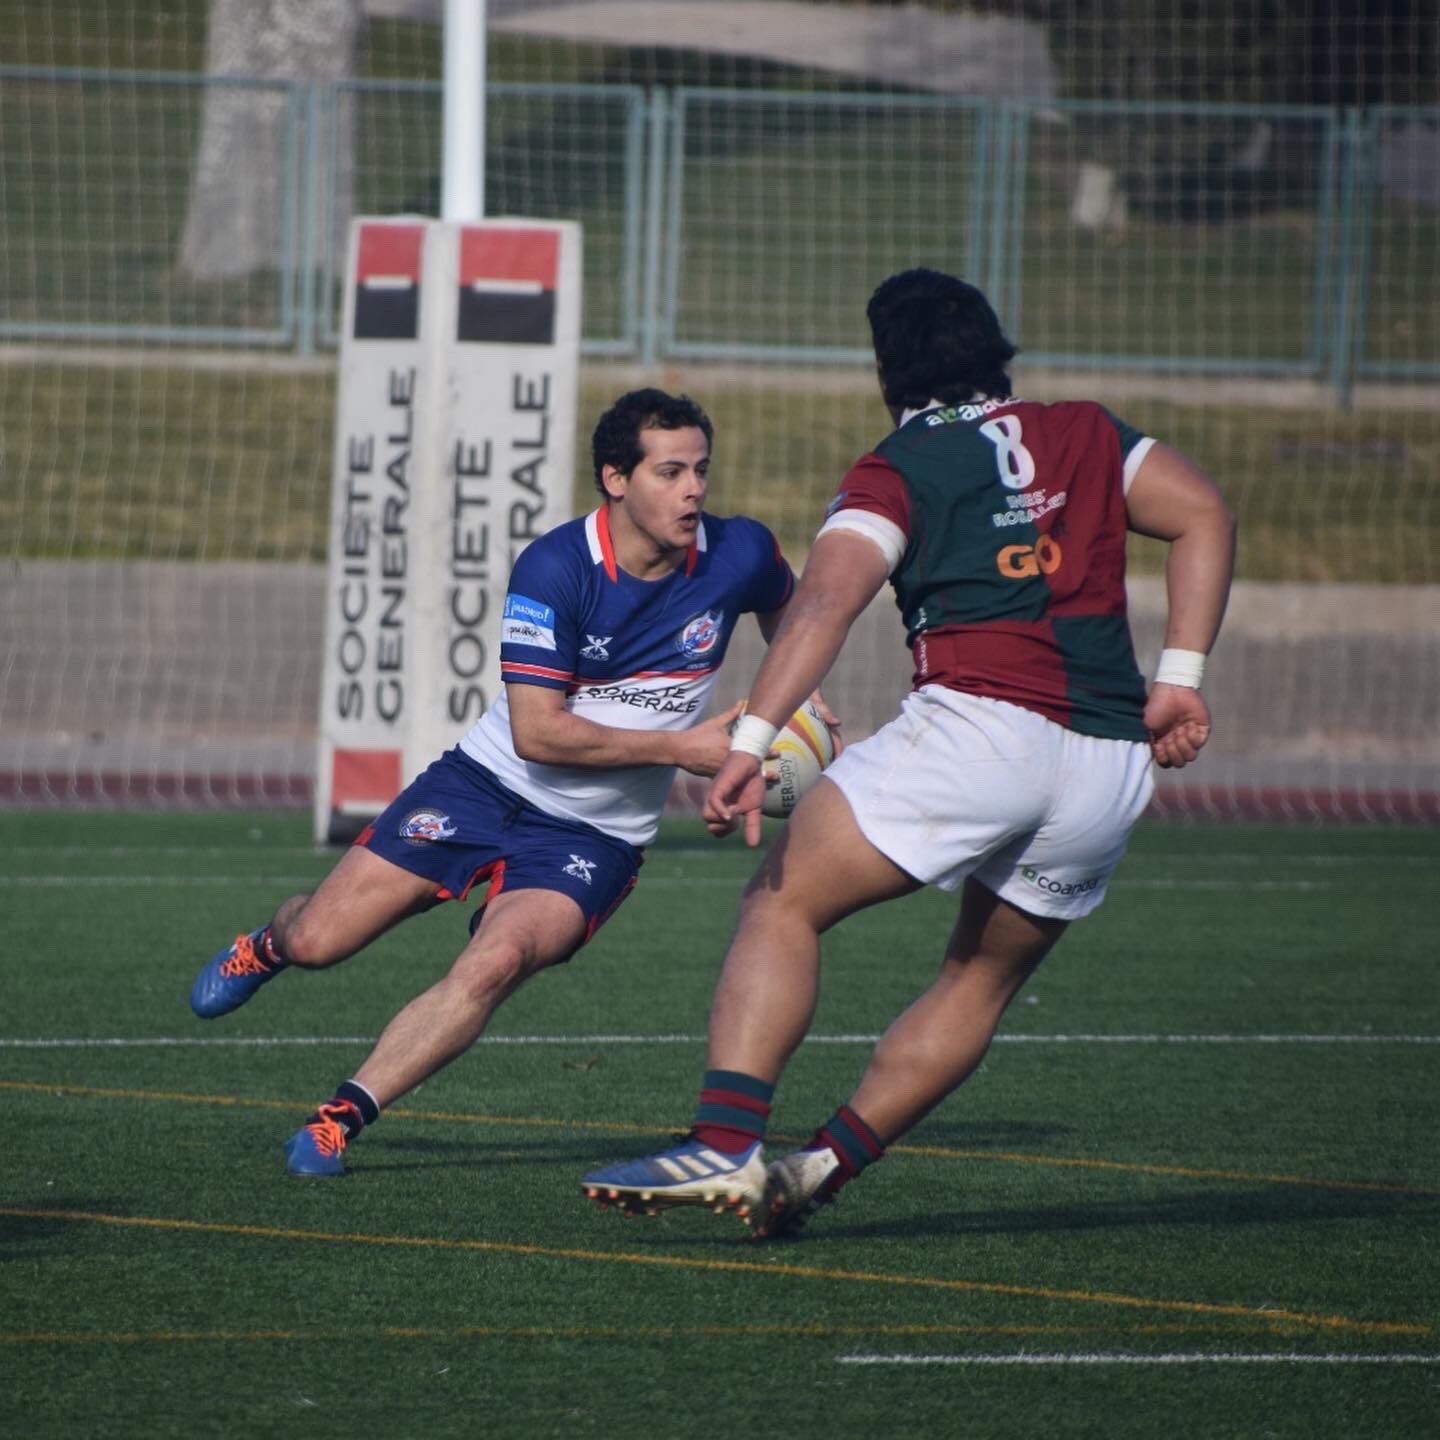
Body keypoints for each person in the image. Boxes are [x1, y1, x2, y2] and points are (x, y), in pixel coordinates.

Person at [580, 269, 1236, 1237]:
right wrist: (1179, 676)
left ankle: (723, 1145)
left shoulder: (898, 466)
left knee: (783, 900)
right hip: (1106, 761)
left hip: (981, 728)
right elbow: (1205, 513)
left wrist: (752, 738)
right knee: (980, 978)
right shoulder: (1090, 432)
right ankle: (815, 1172)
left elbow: (825, 602)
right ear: (995, 348)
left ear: (888, 366)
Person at [189, 388, 806, 1177]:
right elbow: (538, 733)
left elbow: (796, 625)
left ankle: (338, 1120)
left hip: (595, 838)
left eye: (702, 471)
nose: (694, 491)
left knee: (496, 961)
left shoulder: (740, 553)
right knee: (319, 941)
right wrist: (680, 748)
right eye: (671, 471)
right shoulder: (556, 567)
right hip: (482, 786)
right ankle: (268, 945)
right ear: (616, 479)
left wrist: (792, 721)